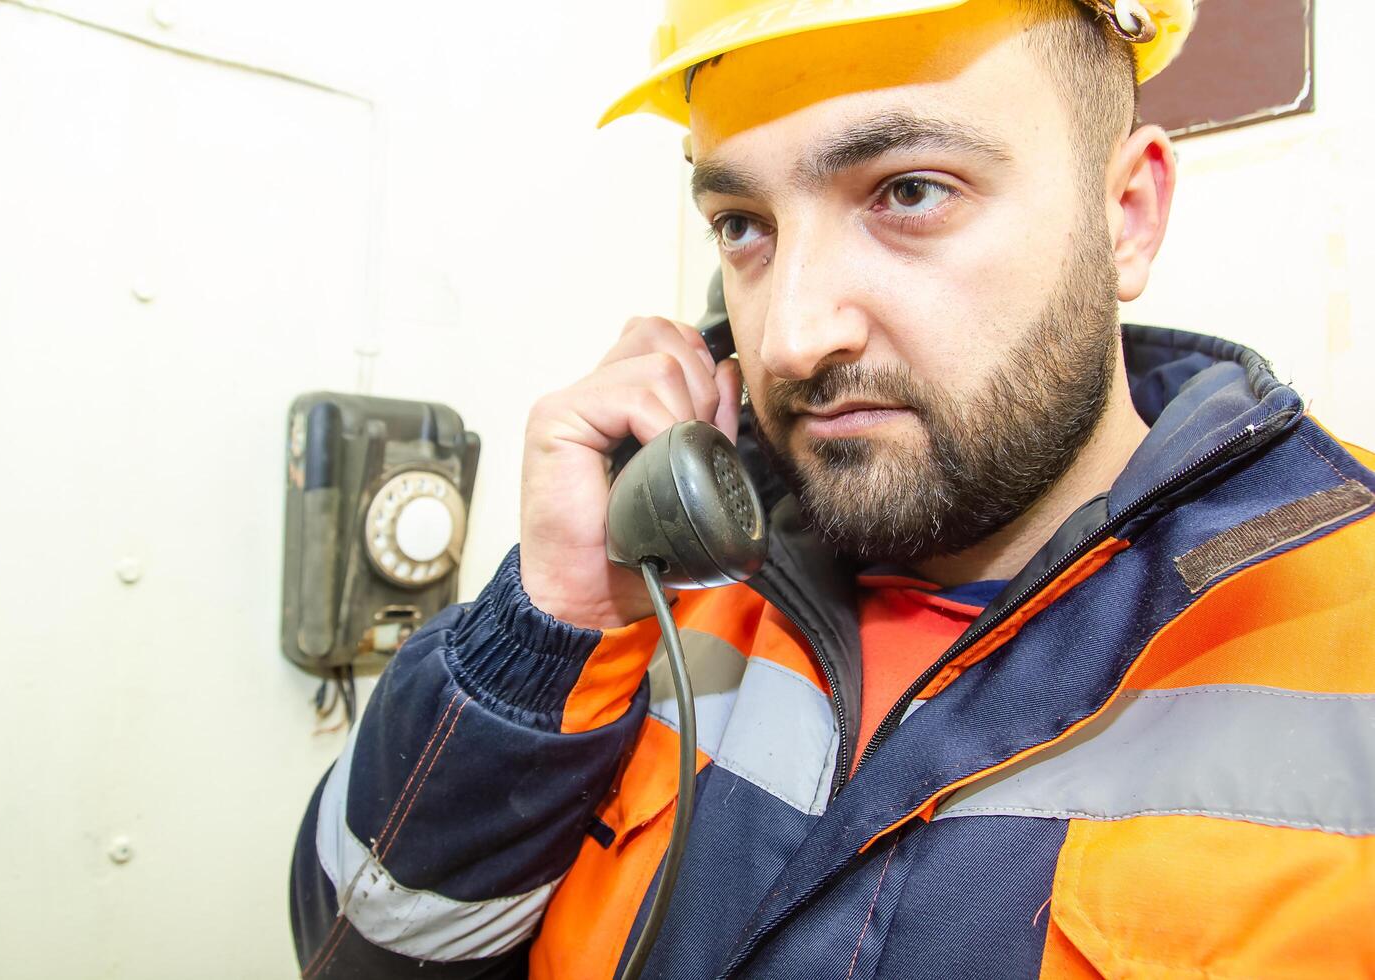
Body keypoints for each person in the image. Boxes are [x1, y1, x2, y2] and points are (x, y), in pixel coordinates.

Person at [291, 0, 1375, 976]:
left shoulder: (1341, 630)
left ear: (1127, 212)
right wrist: (544, 628)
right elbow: (361, 948)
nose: (796, 335)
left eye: (909, 191)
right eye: (743, 226)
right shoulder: (666, 575)